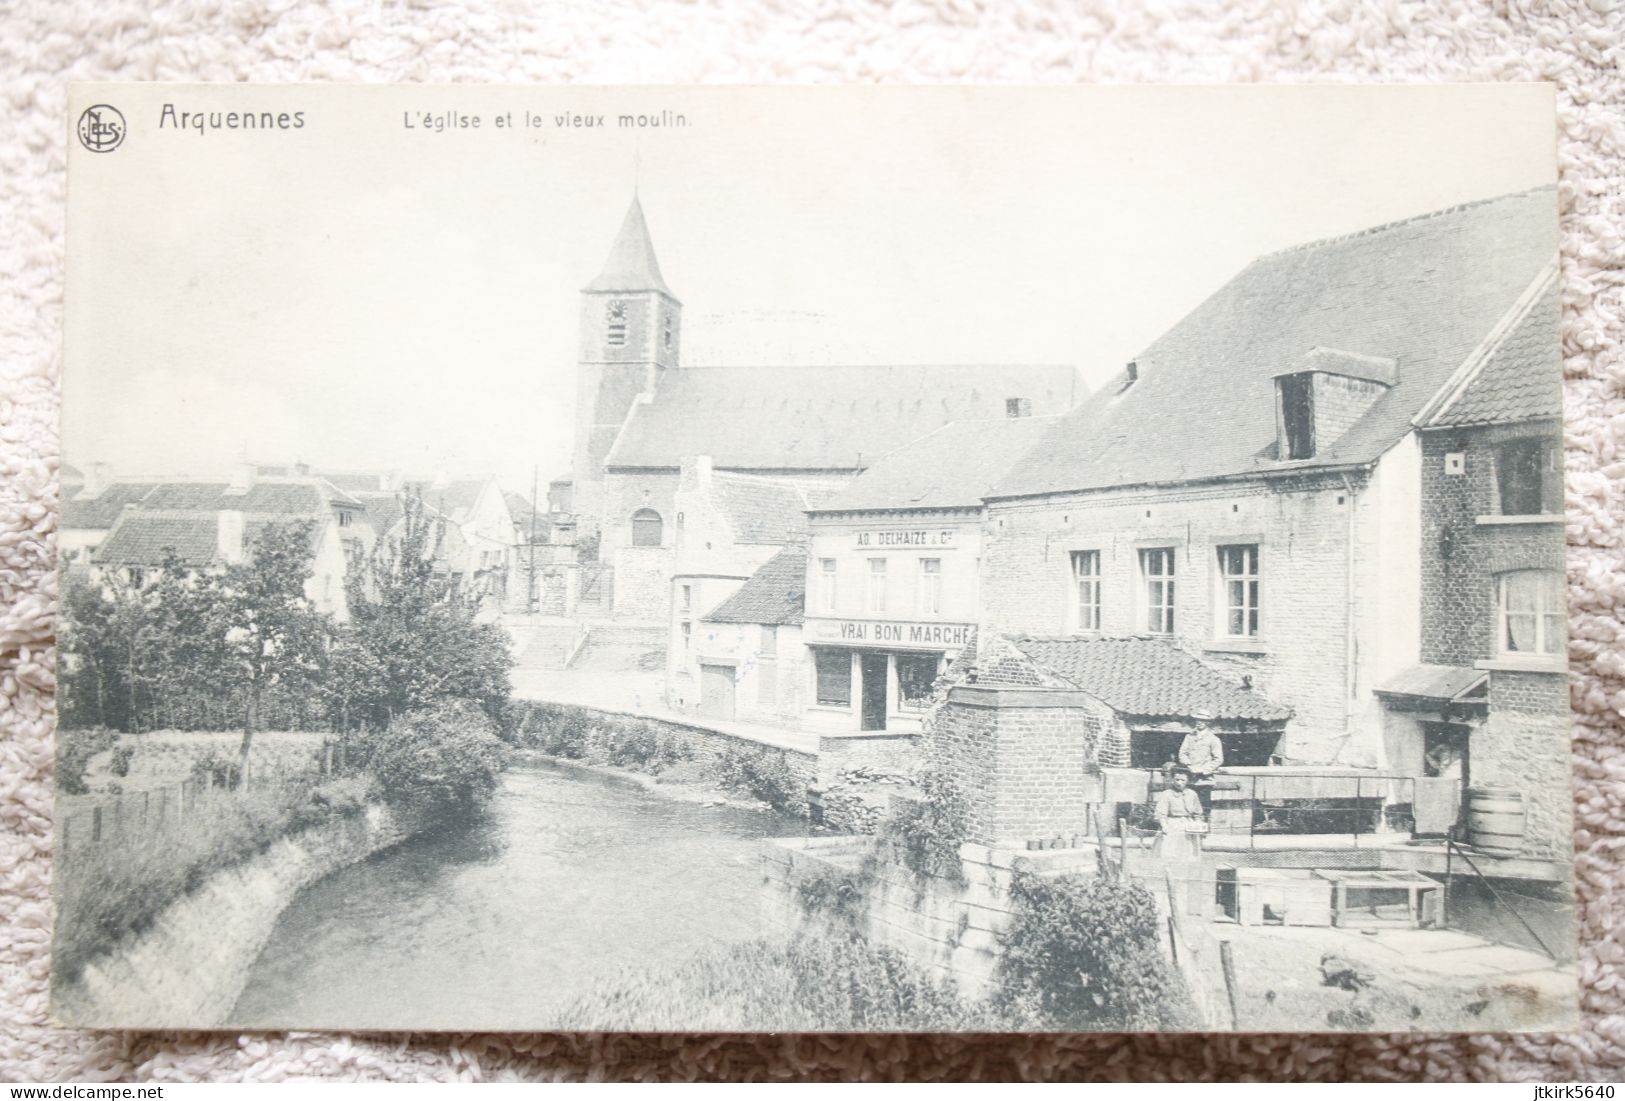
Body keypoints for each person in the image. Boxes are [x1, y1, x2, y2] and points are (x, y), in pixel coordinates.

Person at [1154, 767, 1206, 859]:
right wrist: (1164, 825)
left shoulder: (1192, 794)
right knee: (1171, 851)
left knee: (1190, 851)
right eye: (1177, 779)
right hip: (1172, 824)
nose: (1179, 783)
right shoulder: (1167, 794)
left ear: (1187, 781)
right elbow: (1161, 813)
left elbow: (1198, 813)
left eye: (1183, 780)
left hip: (1189, 825)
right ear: (1172, 780)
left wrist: (1198, 823)